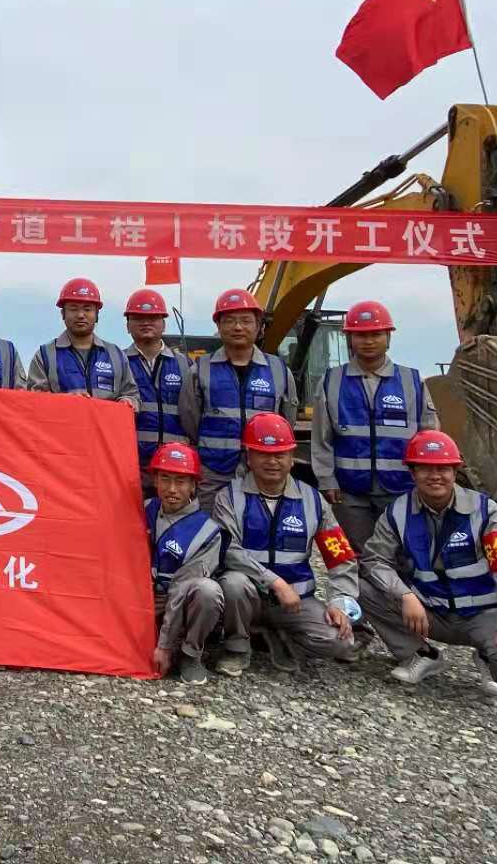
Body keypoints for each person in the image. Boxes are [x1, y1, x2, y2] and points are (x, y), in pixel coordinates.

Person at [358, 431, 497, 698]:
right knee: (361, 587)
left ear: (455, 471)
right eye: (425, 469)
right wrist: (404, 595)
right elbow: (374, 560)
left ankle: (487, 657)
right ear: (412, 472)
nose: (435, 476)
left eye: (443, 468)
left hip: (482, 615)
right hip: (429, 611)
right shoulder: (397, 513)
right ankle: (421, 655)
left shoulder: (485, 511)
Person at [214, 413, 358, 676]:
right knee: (233, 583)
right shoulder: (229, 497)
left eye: (280, 454)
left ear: (292, 457)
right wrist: (275, 582)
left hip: (296, 602)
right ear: (249, 457)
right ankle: (237, 646)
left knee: (342, 642)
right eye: (263, 453)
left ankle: (275, 636)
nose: (272, 461)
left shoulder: (313, 500)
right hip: (249, 598)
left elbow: (340, 558)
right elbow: (228, 551)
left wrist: (340, 601)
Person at [310, 300, 438, 554]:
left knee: (404, 553)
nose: (368, 341)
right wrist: (326, 479)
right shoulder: (331, 381)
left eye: (376, 334)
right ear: (350, 339)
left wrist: (425, 480)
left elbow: (429, 435)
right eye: (360, 335)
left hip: (401, 487)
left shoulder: (412, 381)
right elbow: (321, 437)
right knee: (359, 554)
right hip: (349, 490)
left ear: (388, 337)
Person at [180, 288, 298, 497]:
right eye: (229, 321)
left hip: (263, 473)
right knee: (211, 518)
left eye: (246, 321)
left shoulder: (278, 370)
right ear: (218, 326)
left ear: (259, 326)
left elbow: (287, 420)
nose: (237, 327)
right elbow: (190, 419)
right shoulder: (201, 369)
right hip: (213, 473)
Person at [143, 443, 224, 685]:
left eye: (181, 481)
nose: (172, 489)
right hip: (142, 600)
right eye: (165, 479)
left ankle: (190, 654)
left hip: (179, 602)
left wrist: (164, 646)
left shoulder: (207, 532)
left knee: (208, 591)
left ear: (193, 485)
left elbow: (181, 589)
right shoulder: (142, 510)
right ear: (155, 480)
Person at [123, 288, 193, 491]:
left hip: (174, 468)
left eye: (153, 318)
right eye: (138, 318)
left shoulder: (185, 365)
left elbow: (195, 416)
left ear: (164, 323)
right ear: (127, 325)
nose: (146, 323)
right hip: (131, 467)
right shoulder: (118, 362)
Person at [26, 279, 137, 405]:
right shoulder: (45, 355)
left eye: (87, 309)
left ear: (97, 314)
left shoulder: (115, 355)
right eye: (73, 309)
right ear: (63, 314)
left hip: (105, 419)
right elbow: (34, 400)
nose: (80, 315)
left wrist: (128, 401)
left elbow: (131, 393)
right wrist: (65, 400)